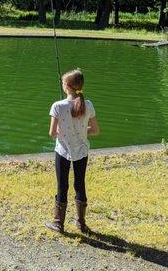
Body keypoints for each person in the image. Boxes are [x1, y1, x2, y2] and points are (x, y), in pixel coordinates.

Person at [45, 69, 100, 234]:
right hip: (81, 151)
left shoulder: (58, 106)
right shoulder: (88, 104)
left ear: (67, 87)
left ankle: (58, 223)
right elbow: (95, 130)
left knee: (62, 185)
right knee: (79, 184)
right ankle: (81, 224)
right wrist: (82, 131)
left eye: (63, 83)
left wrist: (64, 132)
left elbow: (52, 133)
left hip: (62, 151)